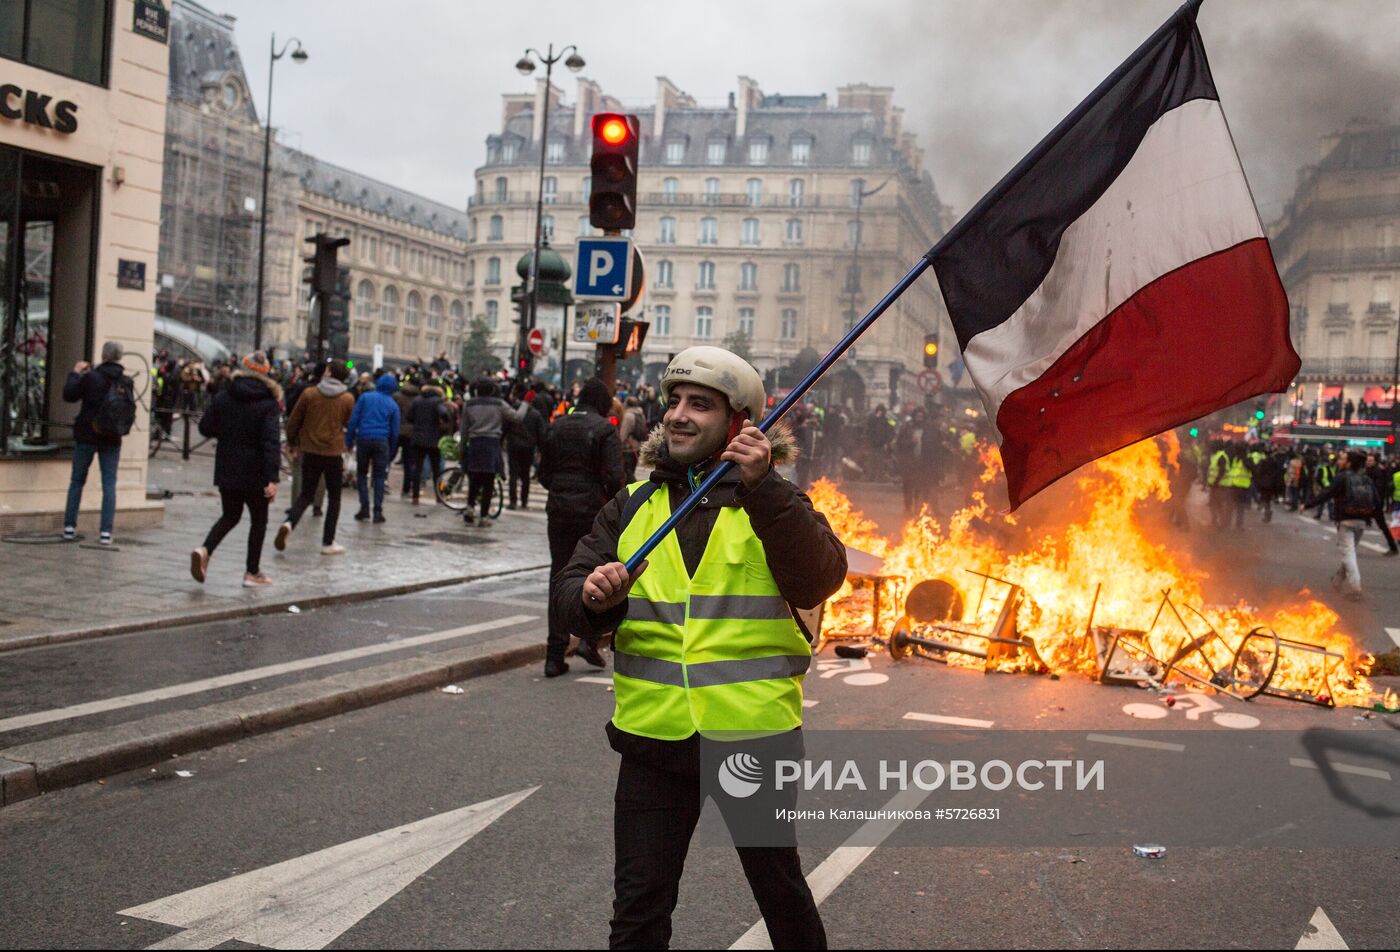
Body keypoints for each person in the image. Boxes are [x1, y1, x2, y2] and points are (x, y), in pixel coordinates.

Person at [552, 346, 845, 949]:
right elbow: (566, 595)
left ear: (739, 425)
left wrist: (764, 490)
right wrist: (591, 596)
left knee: (781, 897)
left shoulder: (774, 503)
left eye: (701, 405)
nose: (679, 416)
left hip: (752, 739)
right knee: (637, 912)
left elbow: (821, 574)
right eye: (675, 402)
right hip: (653, 741)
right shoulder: (634, 506)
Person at [537, 377, 625, 676]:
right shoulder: (604, 429)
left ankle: (554, 653)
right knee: (595, 574)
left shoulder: (557, 425)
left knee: (559, 575)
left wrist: (560, 487)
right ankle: (588, 639)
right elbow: (616, 476)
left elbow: (543, 473)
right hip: (590, 509)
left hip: (559, 508)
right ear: (602, 402)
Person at [190, 352, 282, 586]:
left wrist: (228, 431)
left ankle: (205, 549)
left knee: (230, 516)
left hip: (227, 467)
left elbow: (205, 427)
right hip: (256, 471)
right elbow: (270, 441)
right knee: (258, 520)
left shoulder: (224, 396)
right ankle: (252, 572)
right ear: (266, 373)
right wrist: (272, 477)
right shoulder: (268, 402)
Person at [277, 359, 355, 555]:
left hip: (310, 450)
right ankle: (328, 542)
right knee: (335, 497)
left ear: (328, 372)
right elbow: (347, 422)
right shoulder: (347, 398)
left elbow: (294, 420)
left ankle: (289, 523)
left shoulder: (310, 393)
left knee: (306, 495)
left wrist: (293, 442)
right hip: (333, 451)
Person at [62, 341, 130, 545]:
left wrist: (75, 373)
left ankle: (69, 527)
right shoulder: (125, 381)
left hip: (87, 435)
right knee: (109, 484)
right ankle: (106, 533)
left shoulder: (91, 377)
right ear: (119, 357)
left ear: (103, 354)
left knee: (77, 481)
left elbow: (69, 395)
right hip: (112, 438)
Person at [1303, 449, 1380, 601]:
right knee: (1349, 553)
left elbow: (1327, 493)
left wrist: (1307, 505)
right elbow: (1376, 501)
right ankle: (1338, 581)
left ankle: (1355, 588)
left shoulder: (1342, 477)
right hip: (1362, 521)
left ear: (1349, 463)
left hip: (1346, 521)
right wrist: (1370, 517)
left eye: (1343, 459)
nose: (1340, 461)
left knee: (1348, 554)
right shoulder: (1367, 479)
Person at [459, 377, 525, 526]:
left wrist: (462, 450)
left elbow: (463, 430)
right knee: (488, 482)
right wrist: (526, 403)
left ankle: (470, 508)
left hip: (475, 444)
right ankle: (484, 516)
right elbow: (517, 417)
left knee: (474, 481)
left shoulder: (469, 404)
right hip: (491, 444)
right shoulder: (499, 404)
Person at [346, 373, 401, 524]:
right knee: (379, 477)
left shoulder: (365, 398)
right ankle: (378, 511)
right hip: (382, 441)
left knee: (362, 473)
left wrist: (349, 441)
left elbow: (353, 420)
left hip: (363, 438)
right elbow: (395, 432)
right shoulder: (393, 405)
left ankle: (364, 507)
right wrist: (392, 452)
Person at [407, 378, 451, 505]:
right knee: (436, 470)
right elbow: (444, 414)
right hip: (433, 438)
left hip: (418, 438)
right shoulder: (438, 401)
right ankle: (438, 496)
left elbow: (410, 417)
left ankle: (415, 496)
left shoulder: (417, 400)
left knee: (417, 468)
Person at [505, 386, 547, 510]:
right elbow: (541, 433)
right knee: (525, 475)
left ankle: (513, 501)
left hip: (513, 445)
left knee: (513, 474)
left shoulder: (512, 411)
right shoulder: (536, 415)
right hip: (528, 446)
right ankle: (524, 501)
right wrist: (540, 449)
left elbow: (505, 428)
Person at [393, 374, 421, 499]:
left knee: (388, 457)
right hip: (411, 433)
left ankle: (381, 481)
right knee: (409, 463)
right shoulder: (418, 399)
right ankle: (405, 489)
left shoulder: (397, 396)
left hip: (397, 430)